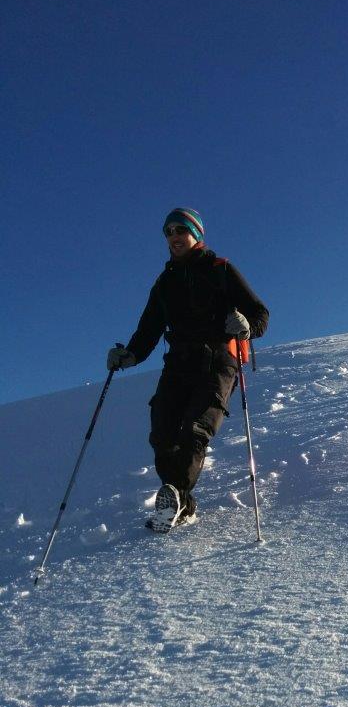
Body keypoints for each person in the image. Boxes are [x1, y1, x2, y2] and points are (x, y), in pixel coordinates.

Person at [106, 208, 270, 532]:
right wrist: (128, 356)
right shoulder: (165, 283)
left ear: (196, 234)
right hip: (178, 363)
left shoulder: (219, 269)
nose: (173, 236)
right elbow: (148, 330)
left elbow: (259, 313)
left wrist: (246, 326)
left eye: (180, 229)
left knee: (197, 427)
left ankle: (176, 497)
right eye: (167, 231)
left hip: (219, 360)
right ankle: (180, 503)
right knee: (162, 431)